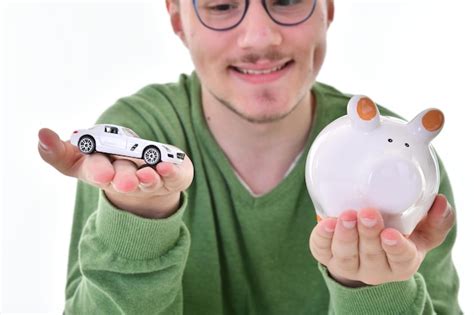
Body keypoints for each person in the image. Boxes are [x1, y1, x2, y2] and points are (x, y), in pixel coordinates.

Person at [37, 0, 461, 314]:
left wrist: (374, 290)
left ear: (327, 8)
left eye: (288, 0)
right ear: (176, 19)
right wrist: (138, 224)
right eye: (221, 5)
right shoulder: (137, 143)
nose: (260, 37)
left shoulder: (404, 159)